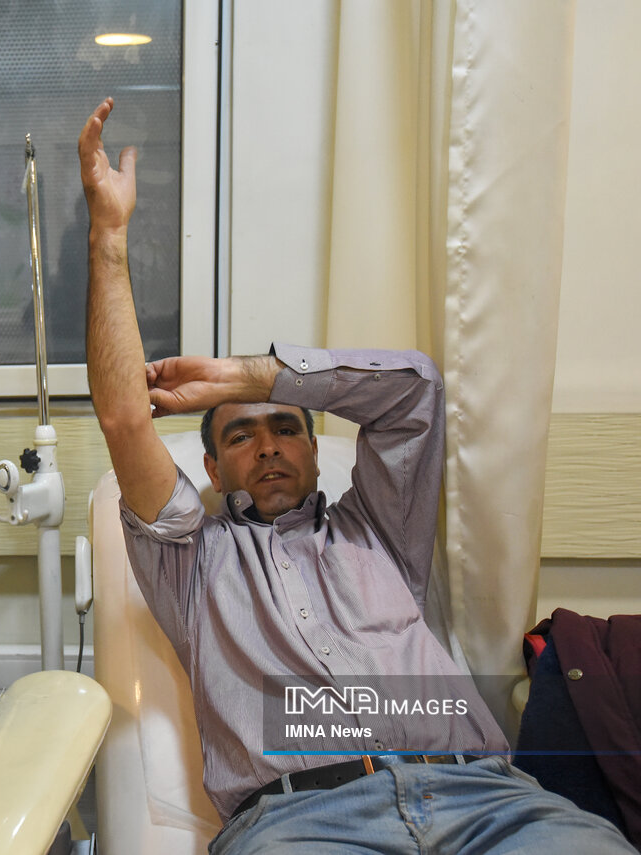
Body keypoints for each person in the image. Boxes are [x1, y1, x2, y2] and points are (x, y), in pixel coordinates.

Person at [79, 96, 633, 853]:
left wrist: (253, 376)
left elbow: (415, 392)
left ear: (315, 450)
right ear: (210, 466)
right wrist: (109, 235)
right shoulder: (192, 562)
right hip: (303, 823)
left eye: (286, 426)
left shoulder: (380, 527)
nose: (268, 445)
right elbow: (123, 418)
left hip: (487, 801)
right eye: (241, 434)